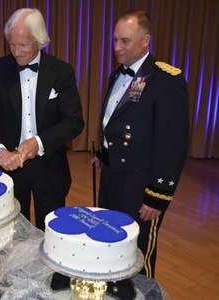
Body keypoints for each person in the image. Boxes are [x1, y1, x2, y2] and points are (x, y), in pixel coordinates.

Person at [94, 10, 189, 279]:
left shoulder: (166, 80)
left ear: (146, 40)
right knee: (112, 238)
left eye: (124, 41)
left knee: (139, 249)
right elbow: (120, 123)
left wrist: (157, 195)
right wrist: (103, 153)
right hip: (113, 178)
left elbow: (172, 144)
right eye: (114, 40)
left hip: (140, 183)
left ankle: (144, 295)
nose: (116, 47)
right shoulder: (117, 75)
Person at [0, 8, 84, 232]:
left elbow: (74, 121)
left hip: (50, 167)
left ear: (39, 40)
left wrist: (39, 142)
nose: (16, 51)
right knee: (12, 235)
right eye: (12, 44)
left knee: (50, 237)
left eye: (23, 45)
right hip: (9, 167)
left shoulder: (61, 72)